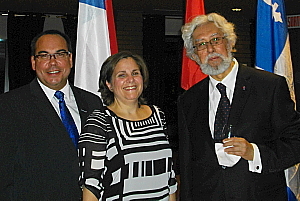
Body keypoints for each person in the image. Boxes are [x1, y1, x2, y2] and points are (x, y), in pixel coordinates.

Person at [177, 12, 300, 200]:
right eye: (201, 44)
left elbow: (295, 143)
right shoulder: (188, 101)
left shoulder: (269, 86)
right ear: (194, 56)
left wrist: (255, 153)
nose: (210, 49)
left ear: (231, 43)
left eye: (215, 40)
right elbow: (187, 166)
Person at [0, 30, 102, 200]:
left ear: (70, 59)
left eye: (59, 54)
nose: (52, 63)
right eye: (44, 56)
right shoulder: (9, 106)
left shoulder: (92, 103)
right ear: (33, 63)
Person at [78, 51, 177, 201]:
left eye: (135, 73)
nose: (130, 80)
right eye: (122, 75)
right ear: (109, 84)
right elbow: (91, 185)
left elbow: (169, 176)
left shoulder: (158, 115)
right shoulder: (99, 122)